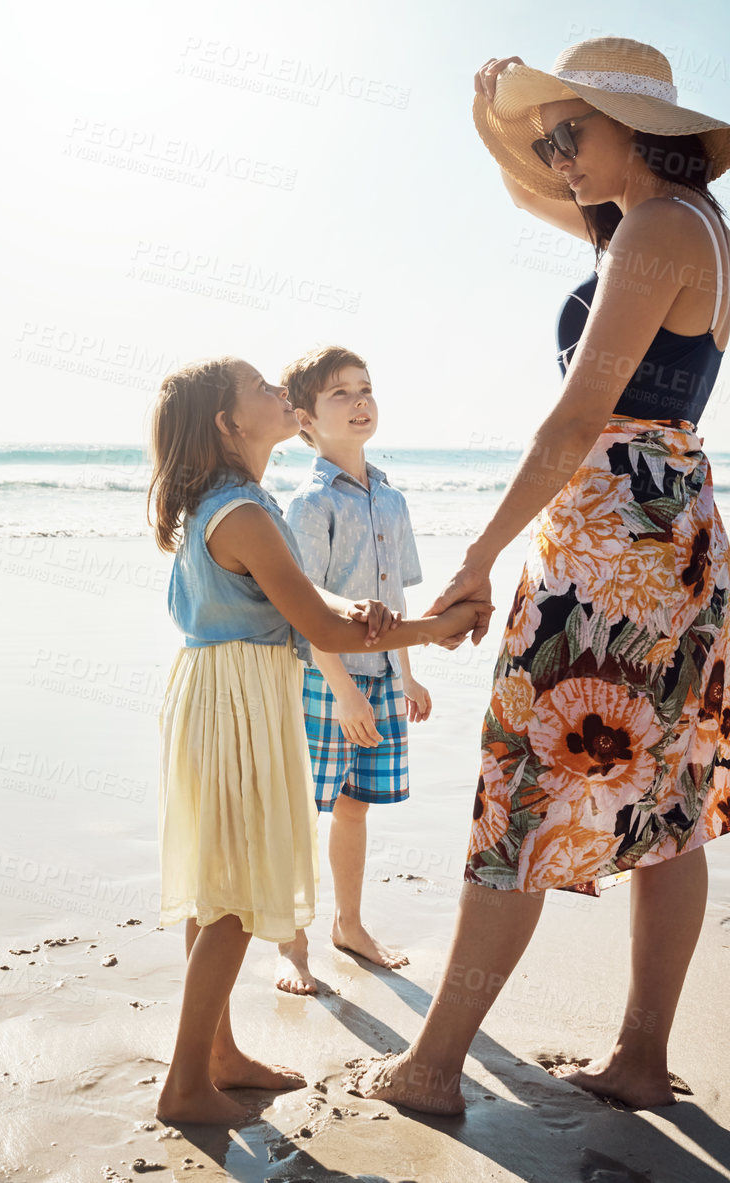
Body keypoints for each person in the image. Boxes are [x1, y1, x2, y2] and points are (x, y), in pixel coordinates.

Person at [359, 36, 730, 1115]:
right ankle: (638, 1058)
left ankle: (434, 1065)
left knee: (523, 792)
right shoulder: (674, 224)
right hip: (666, 530)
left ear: (639, 128)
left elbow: (577, 418)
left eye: (571, 132)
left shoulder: (659, 229)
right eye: (552, 139)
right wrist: (499, 115)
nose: (557, 156)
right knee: (667, 805)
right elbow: (526, 187)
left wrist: (476, 558)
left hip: (611, 544)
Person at [146, 355, 489, 1124]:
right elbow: (323, 625)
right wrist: (435, 629)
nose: (280, 394)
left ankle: (218, 1053)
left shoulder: (238, 504)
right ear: (230, 425)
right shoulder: (244, 512)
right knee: (235, 895)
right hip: (237, 704)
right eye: (262, 389)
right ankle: (185, 1086)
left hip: (220, 694)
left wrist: (356, 604)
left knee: (217, 886)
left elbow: (307, 595)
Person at [271, 346, 430, 994]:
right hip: (325, 678)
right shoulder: (310, 504)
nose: (360, 401)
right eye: (340, 393)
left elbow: (395, 601)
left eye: (365, 388)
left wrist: (407, 672)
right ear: (305, 420)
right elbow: (305, 611)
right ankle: (291, 943)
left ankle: (350, 922)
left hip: (383, 676)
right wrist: (342, 691)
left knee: (357, 807)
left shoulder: (390, 496)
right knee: (304, 812)